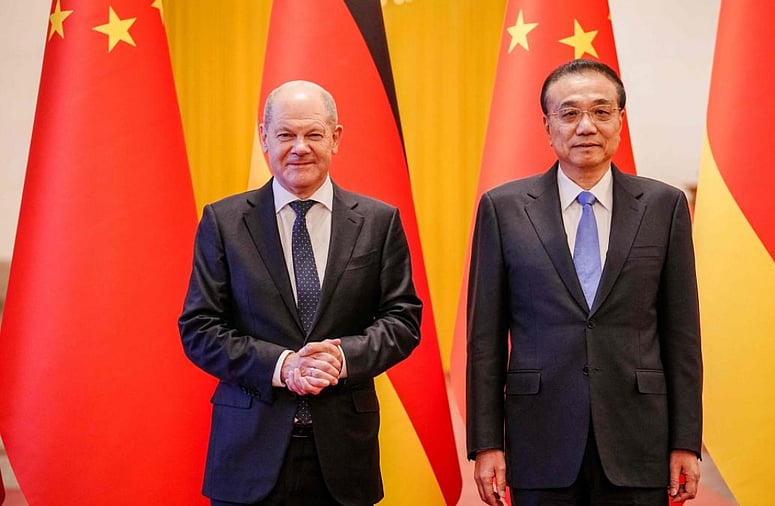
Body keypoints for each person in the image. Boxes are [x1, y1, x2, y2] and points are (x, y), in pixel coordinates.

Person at [466, 59, 703, 506]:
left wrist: (685, 441)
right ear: (547, 125)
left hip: (639, 437)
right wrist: (487, 443)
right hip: (539, 436)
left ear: (620, 121)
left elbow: (682, 335)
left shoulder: (663, 206)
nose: (586, 126)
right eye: (570, 113)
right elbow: (485, 340)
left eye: (601, 111)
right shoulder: (504, 208)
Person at [179, 80, 421, 506]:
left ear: (335, 138)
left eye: (313, 134)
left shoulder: (379, 222)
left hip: (344, 457)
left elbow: (403, 320)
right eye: (286, 135)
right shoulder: (224, 222)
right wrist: (283, 365)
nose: (300, 148)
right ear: (264, 138)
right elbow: (199, 329)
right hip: (248, 452)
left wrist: (341, 358)